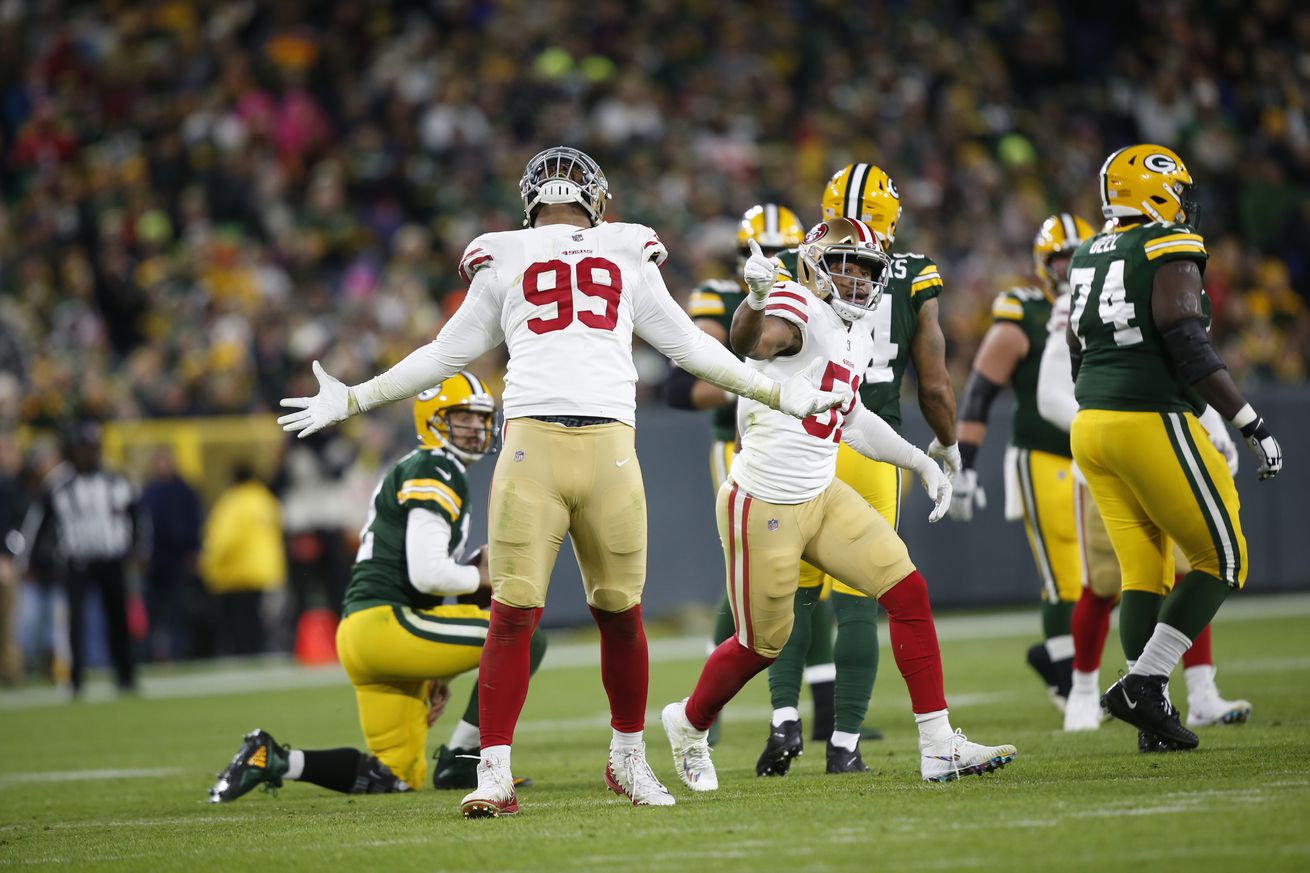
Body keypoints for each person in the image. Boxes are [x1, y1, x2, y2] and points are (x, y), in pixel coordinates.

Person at [275, 146, 850, 818]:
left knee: (516, 617)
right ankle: (621, 757)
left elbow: (442, 353)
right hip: (607, 445)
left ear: (529, 198)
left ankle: (498, 770)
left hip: (532, 450)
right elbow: (691, 350)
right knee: (618, 617)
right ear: (595, 196)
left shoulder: (505, 252)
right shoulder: (627, 245)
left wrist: (354, 397)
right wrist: (777, 393)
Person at [661, 218, 1016, 790]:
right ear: (811, 263)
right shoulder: (794, 306)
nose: (854, 278)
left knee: (908, 591)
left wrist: (920, 462)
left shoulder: (856, 332)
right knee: (761, 645)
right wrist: (752, 298)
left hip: (822, 493)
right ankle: (688, 722)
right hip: (764, 504)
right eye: (843, 263)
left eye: (866, 268)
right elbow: (753, 341)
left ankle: (938, 744)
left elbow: (850, 418)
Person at [211, 374, 545, 802]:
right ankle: (464, 761)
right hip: (389, 623)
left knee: (394, 774)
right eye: (463, 418)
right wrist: (487, 577)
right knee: (523, 634)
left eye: (480, 419)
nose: (476, 428)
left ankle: (273, 759)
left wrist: (437, 669)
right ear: (433, 420)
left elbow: (422, 575)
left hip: (364, 633)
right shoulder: (435, 466)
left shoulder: (423, 468)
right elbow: (429, 574)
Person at [1063, 144, 1281, 750]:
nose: (1185, 202)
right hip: (1145, 419)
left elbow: (1079, 348)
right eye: (1178, 189)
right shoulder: (1168, 245)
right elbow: (1187, 341)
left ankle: (1150, 720)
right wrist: (1248, 419)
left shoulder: (1085, 252)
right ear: (1155, 190)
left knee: (1145, 571)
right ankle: (1145, 682)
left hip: (1092, 425)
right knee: (1226, 559)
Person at [755, 165, 961, 777]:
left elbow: (761, 346)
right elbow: (934, 381)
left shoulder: (806, 262)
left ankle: (782, 723)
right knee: (859, 605)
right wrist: (945, 446)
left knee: (792, 597)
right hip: (873, 439)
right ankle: (844, 743)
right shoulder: (911, 271)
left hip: (805, 440)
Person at [1036, 250, 1253, 740]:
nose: (1065, 265)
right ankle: (1093, 692)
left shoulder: (1128, 280)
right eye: (1057, 258)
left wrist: (1210, 425)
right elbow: (1061, 387)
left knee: (1162, 573)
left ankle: (1186, 696)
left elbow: (1177, 372)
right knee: (1195, 564)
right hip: (1136, 438)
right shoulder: (1115, 285)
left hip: (1124, 436)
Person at [665, 203, 838, 747]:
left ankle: (827, 714)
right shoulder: (721, 297)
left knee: (816, 586)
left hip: (811, 441)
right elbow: (684, 383)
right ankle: (708, 715)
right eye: (754, 252)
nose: (769, 263)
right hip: (746, 446)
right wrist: (764, 381)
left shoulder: (820, 302)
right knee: (755, 586)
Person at [947, 213, 1094, 714]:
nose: (1071, 267)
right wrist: (964, 465)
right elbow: (982, 389)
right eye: (1062, 258)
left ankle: (1063, 666)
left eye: (1079, 256)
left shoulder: (1108, 305)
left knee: (1105, 575)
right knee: (1064, 576)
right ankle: (1072, 685)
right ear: (1043, 264)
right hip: (1043, 456)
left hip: (1097, 457)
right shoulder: (1025, 310)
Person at [18, 421, 143, 695]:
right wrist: (26, 561)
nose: (89, 454)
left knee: (118, 620)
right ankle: (75, 680)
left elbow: (136, 517)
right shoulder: (59, 485)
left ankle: (126, 676)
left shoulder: (116, 481)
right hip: (77, 561)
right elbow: (36, 525)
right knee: (74, 623)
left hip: (112, 558)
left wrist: (138, 549)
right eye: (84, 448)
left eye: (93, 448)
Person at [199, 464, 285, 657]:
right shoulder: (266, 499)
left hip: (237, 571)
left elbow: (223, 538)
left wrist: (208, 564)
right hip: (266, 570)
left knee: (239, 619)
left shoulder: (233, 502)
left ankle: (245, 652)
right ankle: (258, 650)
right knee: (257, 616)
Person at [138, 448, 202, 661]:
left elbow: (194, 522)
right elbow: (141, 525)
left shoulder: (184, 491)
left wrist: (192, 551)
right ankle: (148, 656)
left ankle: (180, 653)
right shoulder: (149, 491)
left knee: (178, 612)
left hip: (177, 559)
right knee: (152, 613)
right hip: (154, 561)